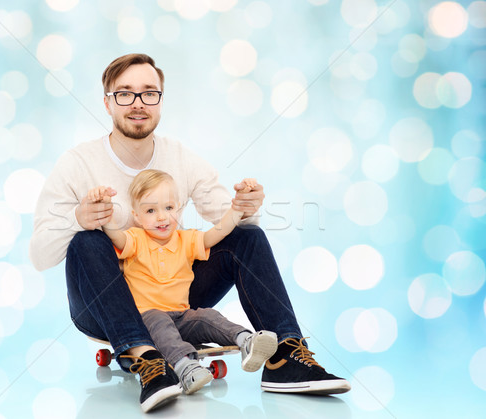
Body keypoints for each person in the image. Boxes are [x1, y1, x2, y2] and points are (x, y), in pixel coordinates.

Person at [29, 53, 351, 413]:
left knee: (248, 236)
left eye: (149, 93)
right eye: (125, 94)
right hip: (103, 306)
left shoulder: (180, 156)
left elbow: (232, 226)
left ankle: (285, 358)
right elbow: (41, 256)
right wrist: (79, 217)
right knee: (87, 240)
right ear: (107, 103)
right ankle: (148, 361)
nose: (138, 103)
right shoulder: (78, 162)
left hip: (171, 297)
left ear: (161, 101)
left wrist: (246, 205)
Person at [88, 170, 279, 396]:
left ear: (178, 209)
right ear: (137, 216)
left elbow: (217, 233)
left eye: (169, 208)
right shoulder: (135, 239)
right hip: (147, 319)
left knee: (207, 316)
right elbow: (115, 237)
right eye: (151, 210)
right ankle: (185, 366)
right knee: (159, 320)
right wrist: (105, 211)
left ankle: (246, 339)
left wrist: (237, 209)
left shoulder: (185, 239)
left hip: (182, 315)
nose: (162, 217)